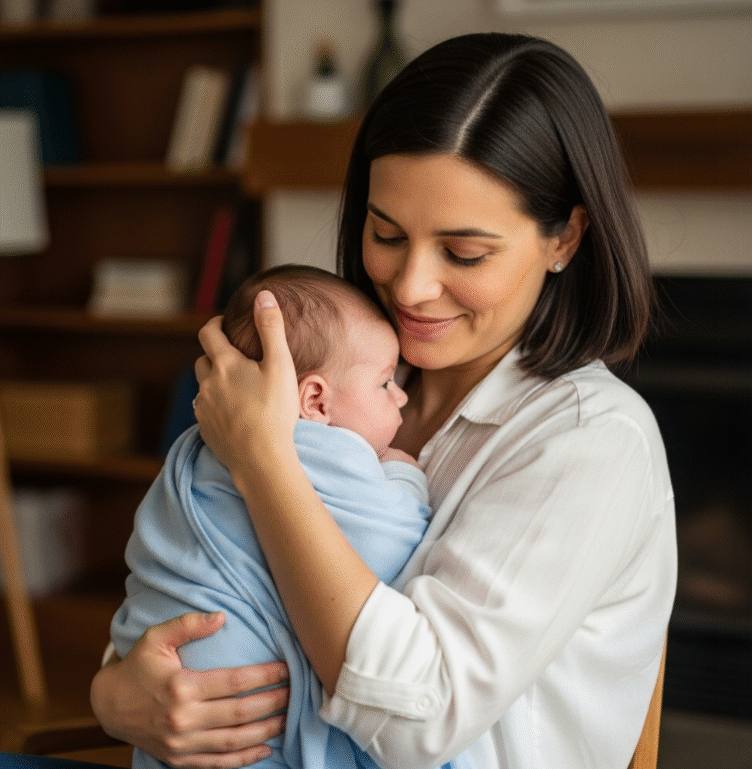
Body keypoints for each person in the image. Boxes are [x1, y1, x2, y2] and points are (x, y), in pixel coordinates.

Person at [91, 32, 677, 769]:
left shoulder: (593, 441)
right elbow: (199, 564)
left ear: (566, 237)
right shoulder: (343, 390)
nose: (409, 287)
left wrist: (264, 460)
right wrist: (116, 696)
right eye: (386, 233)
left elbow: (412, 721)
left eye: (465, 253)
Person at [109, 264, 469, 769]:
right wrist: (405, 478)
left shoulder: (198, 446)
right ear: (315, 400)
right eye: (386, 383)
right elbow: (392, 549)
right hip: (242, 721)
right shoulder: (331, 453)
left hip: (179, 691)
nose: (401, 396)